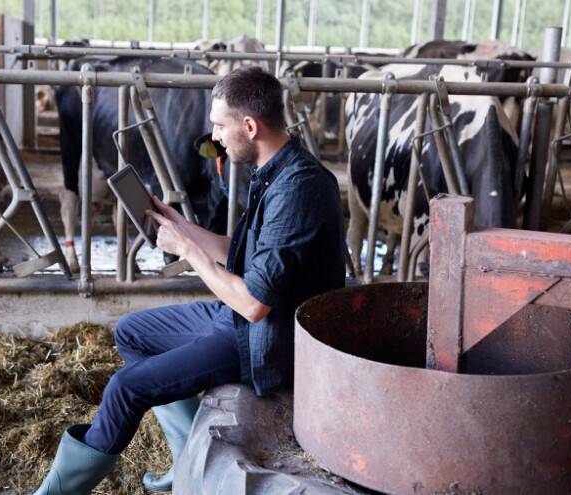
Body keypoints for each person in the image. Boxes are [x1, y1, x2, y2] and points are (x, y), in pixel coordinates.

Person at [33, 65, 345, 495]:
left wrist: (188, 251)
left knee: (125, 389)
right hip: (237, 318)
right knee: (132, 333)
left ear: (250, 126)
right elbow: (243, 250)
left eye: (220, 125)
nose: (214, 136)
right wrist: (182, 225)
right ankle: (186, 458)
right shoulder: (275, 168)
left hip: (264, 338)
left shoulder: (300, 187)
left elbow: (255, 303)